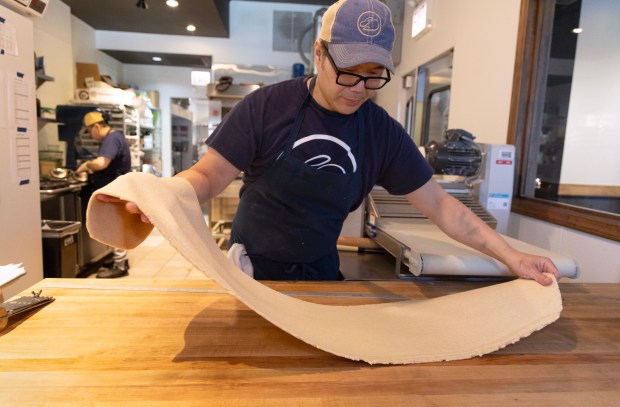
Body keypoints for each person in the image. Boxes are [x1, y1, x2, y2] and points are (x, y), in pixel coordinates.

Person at [104, 0, 559, 285]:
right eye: (347, 71)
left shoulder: (380, 131)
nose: (358, 88)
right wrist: (168, 195)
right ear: (319, 54)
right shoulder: (266, 107)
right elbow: (207, 176)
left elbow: (445, 209)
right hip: (251, 272)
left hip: (321, 271)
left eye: (372, 75)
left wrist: (514, 257)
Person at [77, 111, 131, 278]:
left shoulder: (111, 139)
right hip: (115, 187)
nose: (91, 136)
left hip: (114, 189)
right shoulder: (115, 137)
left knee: (115, 225)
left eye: (89, 131)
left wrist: (87, 165)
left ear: (97, 126)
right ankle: (120, 259)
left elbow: (102, 163)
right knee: (116, 224)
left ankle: (120, 265)